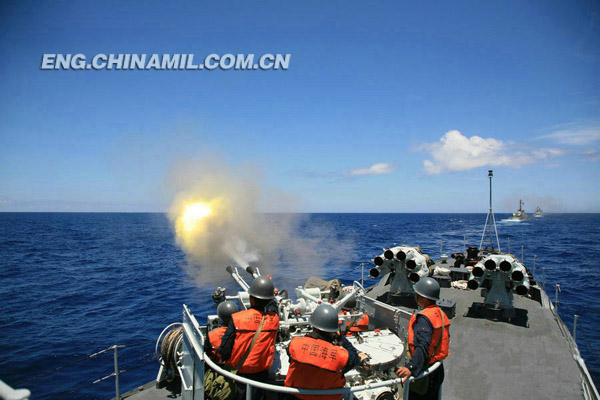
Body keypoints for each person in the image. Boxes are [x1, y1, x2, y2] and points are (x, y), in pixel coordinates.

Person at [285, 304, 369, 400]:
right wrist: (341, 337)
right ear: (333, 331)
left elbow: (290, 354)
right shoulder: (341, 356)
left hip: (295, 396)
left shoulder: (295, 344)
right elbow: (354, 357)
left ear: (313, 326)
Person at [218, 276, 280, 399]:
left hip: (239, 374)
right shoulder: (274, 320)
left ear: (251, 299)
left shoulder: (237, 318)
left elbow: (225, 349)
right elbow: (273, 308)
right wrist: (270, 291)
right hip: (261, 374)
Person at [395, 277, 450, 400]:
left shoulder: (424, 319)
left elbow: (422, 344)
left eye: (417, 294)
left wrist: (411, 368)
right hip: (437, 369)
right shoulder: (439, 313)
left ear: (423, 298)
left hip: (426, 375)